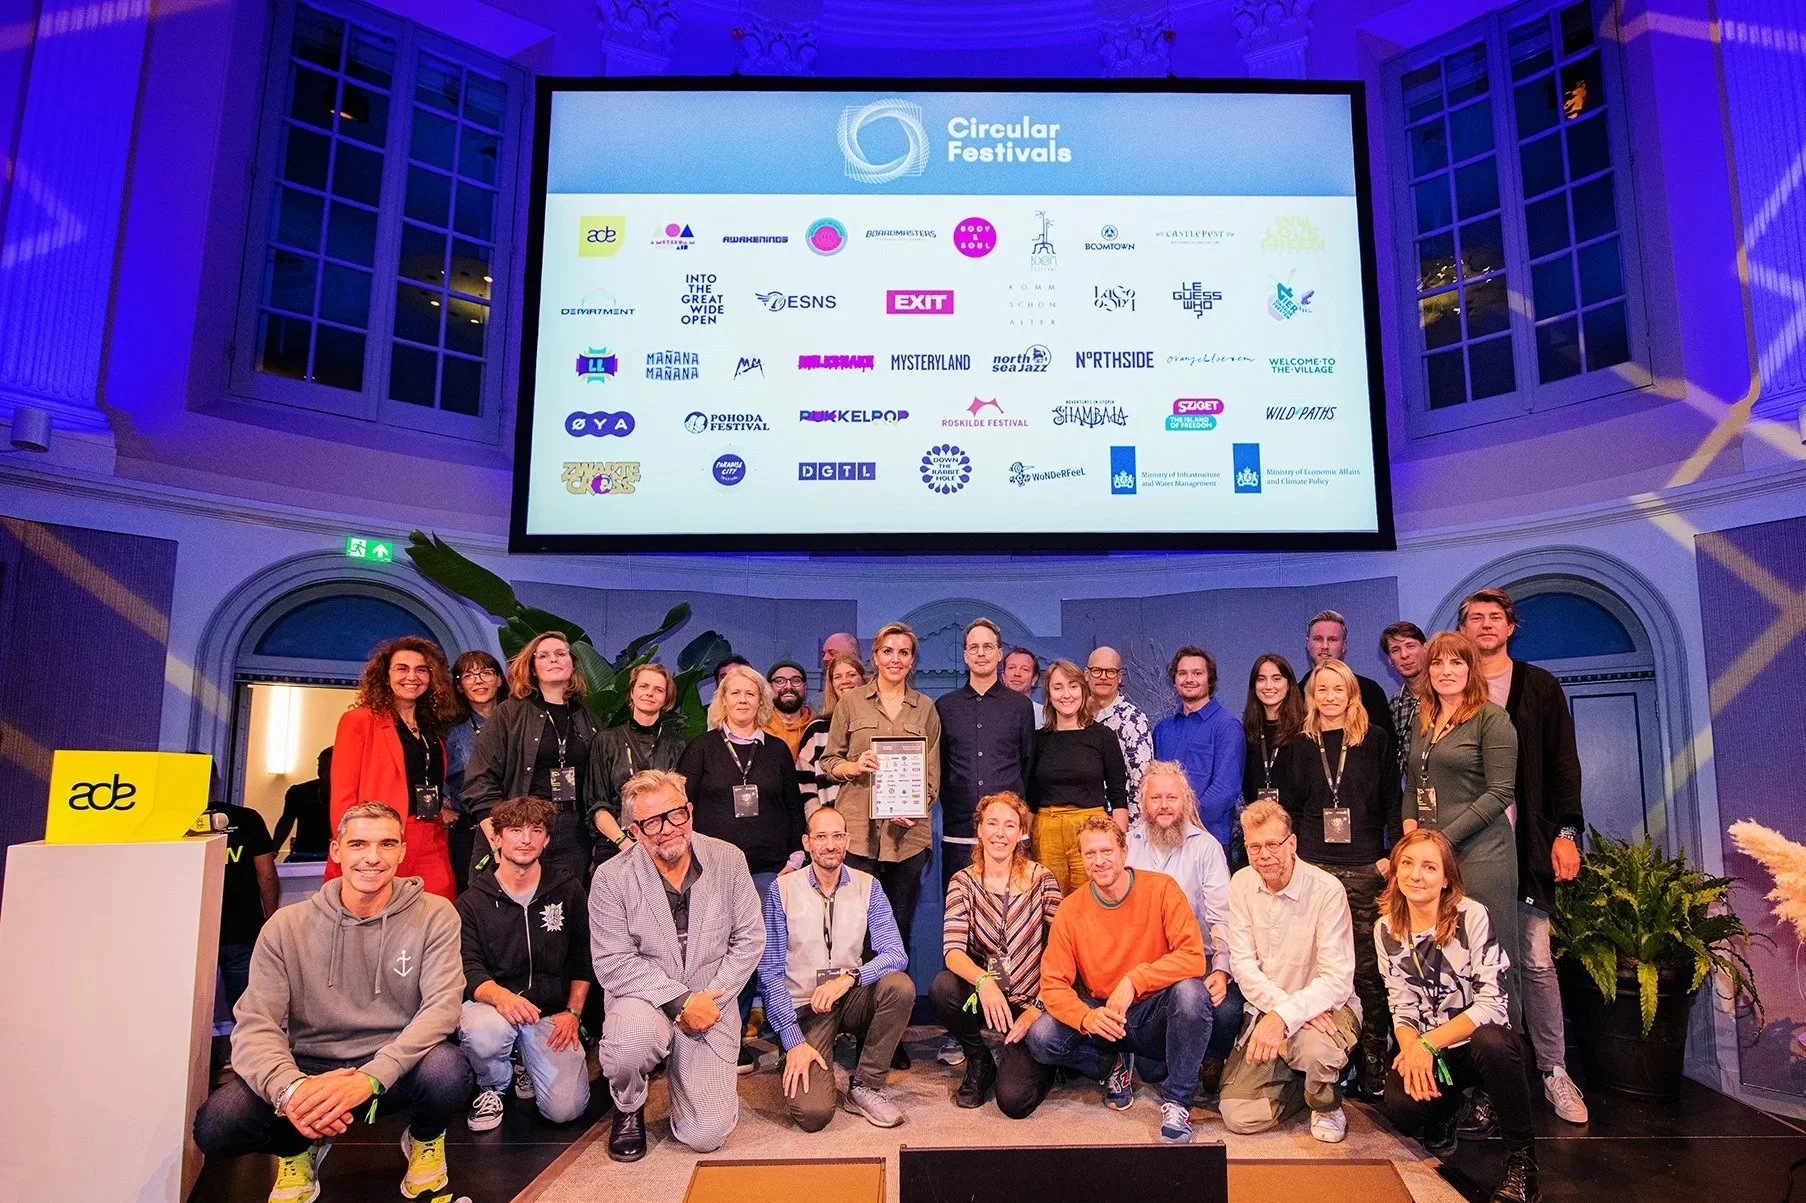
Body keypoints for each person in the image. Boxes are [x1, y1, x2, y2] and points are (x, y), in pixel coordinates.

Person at [194, 803, 470, 1202]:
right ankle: (297, 1147)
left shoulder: (435, 914)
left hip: (391, 1066)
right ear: (336, 851)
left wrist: (369, 1078)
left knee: (448, 1070)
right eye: (358, 843)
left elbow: (442, 1008)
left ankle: (425, 1138)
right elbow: (256, 1024)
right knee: (217, 1125)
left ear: (402, 851)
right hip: (309, 1068)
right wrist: (293, 1092)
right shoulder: (286, 926)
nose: (372, 857)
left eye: (386, 844)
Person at [590, 770, 766, 1161]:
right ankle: (628, 1104)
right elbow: (612, 962)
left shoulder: (729, 859)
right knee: (630, 1042)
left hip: (710, 1002)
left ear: (689, 812)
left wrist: (709, 1000)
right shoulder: (610, 878)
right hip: (646, 999)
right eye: (652, 822)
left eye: (675, 815)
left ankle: (689, 1085)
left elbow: (750, 939)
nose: (667, 829)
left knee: (706, 1135)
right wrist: (681, 1001)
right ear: (635, 830)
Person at [1460, 588, 1588, 1124]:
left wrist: (1566, 832)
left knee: (1534, 962)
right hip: (1467, 854)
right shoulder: (1452, 689)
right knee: (1475, 968)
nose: (1486, 625)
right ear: (1463, 630)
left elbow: (1563, 765)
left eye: (1496, 618)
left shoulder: (1539, 686)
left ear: (1510, 627)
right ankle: (1493, 1078)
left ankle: (1554, 1071)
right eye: (1476, 619)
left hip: (1529, 848)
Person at [1024, 816, 1213, 1143]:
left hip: (1152, 1010)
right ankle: (1111, 1064)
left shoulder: (1162, 889)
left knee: (1191, 993)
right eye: (1090, 854)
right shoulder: (1071, 910)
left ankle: (1178, 1100)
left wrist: (1134, 981)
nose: (1099, 861)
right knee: (1042, 1037)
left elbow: (1193, 957)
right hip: (1103, 1015)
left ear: (1124, 852)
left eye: (1107, 851)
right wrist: (1087, 1017)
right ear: (1082, 859)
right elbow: (1053, 984)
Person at [1377, 829, 1541, 1202]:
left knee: (1494, 1043)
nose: (1416, 875)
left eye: (1429, 866)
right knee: (1401, 1108)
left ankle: (1522, 1163)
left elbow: (1492, 1006)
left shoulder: (1471, 916)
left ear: (1446, 877)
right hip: (1429, 1045)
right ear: (1396, 870)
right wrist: (1412, 1050)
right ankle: (1452, 1109)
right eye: (1407, 863)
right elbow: (1400, 1004)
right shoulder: (1385, 928)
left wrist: (1424, 1044)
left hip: (1473, 1042)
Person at [676, 662, 807, 1069]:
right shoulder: (701, 748)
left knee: (763, 952)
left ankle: (773, 1030)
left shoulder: (777, 750)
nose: (744, 700)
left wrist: (796, 856)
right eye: (735, 693)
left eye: (751, 693)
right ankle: (720, 1033)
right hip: (713, 871)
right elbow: (683, 807)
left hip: (770, 870)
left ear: (761, 701)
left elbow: (792, 805)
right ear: (722, 700)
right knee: (718, 950)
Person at [1279, 657, 1399, 1100]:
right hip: (1312, 867)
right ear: (1310, 697)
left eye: (1338, 689)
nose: (1329, 697)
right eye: (1321, 690)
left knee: (1368, 970)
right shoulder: (1299, 745)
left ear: (1352, 694)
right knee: (1317, 966)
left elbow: (1393, 800)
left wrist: (1389, 856)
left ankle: (1372, 1059)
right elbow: (1290, 808)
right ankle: (1329, 1056)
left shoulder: (1377, 741)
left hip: (1366, 866)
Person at [759, 806, 916, 1131]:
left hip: (850, 996)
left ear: (847, 839)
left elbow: (895, 954)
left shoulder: (867, 885)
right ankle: (790, 1052)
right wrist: (793, 1040)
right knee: (814, 1115)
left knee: (899, 987)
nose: (830, 845)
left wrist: (850, 978)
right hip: (806, 1007)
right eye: (821, 836)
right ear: (807, 842)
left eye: (837, 836)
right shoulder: (782, 890)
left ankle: (864, 1087)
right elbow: (770, 973)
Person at [1220, 800, 1361, 1142]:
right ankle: (1301, 1082)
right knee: (1238, 1115)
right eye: (1255, 846)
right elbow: (1242, 965)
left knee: (1318, 1053)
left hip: (1327, 1010)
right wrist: (1282, 1014)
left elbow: (1336, 980)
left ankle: (1326, 1102)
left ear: (1292, 843)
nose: (1264, 855)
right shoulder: (1241, 884)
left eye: (1273, 844)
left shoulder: (1327, 890)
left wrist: (1284, 1016)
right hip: (1270, 1011)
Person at [818, 621, 943, 997]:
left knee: (897, 931)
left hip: (907, 839)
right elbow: (828, 761)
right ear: (875, 657)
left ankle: (891, 1026)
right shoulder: (851, 703)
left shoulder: (925, 709)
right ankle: (857, 1019)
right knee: (855, 933)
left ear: (912, 660)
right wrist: (853, 767)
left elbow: (932, 776)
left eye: (904, 652)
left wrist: (916, 805)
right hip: (857, 838)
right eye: (888, 651)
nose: (895, 659)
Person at [1404, 631, 1521, 1030]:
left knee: (1491, 965)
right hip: (1433, 860)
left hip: (1482, 857)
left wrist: (1441, 840)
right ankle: (1455, 1067)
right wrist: (1411, 840)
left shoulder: (1492, 718)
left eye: (1456, 662)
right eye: (1437, 662)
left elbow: (1501, 792)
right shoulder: (1424, 719)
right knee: (1445, 966)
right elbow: (1414, 785)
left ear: (1471, 669)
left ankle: (1504, 1068)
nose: (1445, 670)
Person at [456, 797, 591, 1132]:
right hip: (495, 1009)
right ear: (498, 838)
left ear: (546, 840)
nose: (526, 839)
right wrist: (504, 998)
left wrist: (573, 1012)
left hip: (549, 1013)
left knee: (566, 1110)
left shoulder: (567, 889)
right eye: (515, 830)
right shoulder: (472, 901)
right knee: (485, 1033)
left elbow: (583, 956)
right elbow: (468, 968)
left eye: (536, 830)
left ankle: (526, 1062)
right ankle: (494, 1084)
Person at [931, 792, 1063, 1113]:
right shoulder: (963, 881)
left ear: (1021, 833)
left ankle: (1047, 1056)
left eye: (1009, 825)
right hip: (988, 998)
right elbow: (952, 952)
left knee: (1013, 1102)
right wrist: (983, 982)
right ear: (979, 829)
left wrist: (1040, 1006)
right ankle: (979, 1060)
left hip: (1031, 1003)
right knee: (944, 988)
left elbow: (1066, 949)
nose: (1000, 833)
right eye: (992, 824)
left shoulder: (1041, 878)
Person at [1125, 762, 1242, 1089]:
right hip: (1147, 963)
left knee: (1227, 1010)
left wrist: (1221, 969)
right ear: (1143, 802)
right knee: (1151, 1072)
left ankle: (1210, 1056)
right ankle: (1177, 1054)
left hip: (1198, 960)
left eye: (1172, 798)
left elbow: (1222, 916)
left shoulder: (1206, 847)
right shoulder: (1127, 845)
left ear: (1186, 801)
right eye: (1156, 798)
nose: (1164, 806)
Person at [462, 632, 600, 884]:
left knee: (562, 916)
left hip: (572, 833)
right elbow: (479, 780)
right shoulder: (510, 713)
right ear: (533, 668)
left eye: (561, 654)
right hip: (517, 828)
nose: (553, 660)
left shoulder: (588, 718)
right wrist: (498, 836)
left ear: (572, 664)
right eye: (544, 656)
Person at [328, 636, 459, 900]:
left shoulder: (432, 727)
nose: (412, 676)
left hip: (431, 834)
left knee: (438, 912)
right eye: (402, 668)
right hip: (379, 838)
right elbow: (343, 793)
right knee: (373, 918)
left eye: (421, 669)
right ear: (384, 675)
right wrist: (351, 845)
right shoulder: (360, 720)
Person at [936, 617, 1036, 902]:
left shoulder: (1020, 706)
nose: (981, 653)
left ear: (999, 653)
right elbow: (940, 766)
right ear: (965, 655)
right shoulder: (945, 707)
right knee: (960, 915)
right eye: (974, 647)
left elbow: (1027, 764)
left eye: (988, 647)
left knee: (1016, 912)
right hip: (960, 833)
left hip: (1010, 834)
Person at [1027, 659, 1129, 893]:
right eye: (1058, 687)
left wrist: (1118, 844)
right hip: (1047, 832)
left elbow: (1118, 796)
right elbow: (1030, 799)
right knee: (1052, 906)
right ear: (1049, 694)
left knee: (1094, 902)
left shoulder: (1103, 736)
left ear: (1083, 690)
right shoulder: (1037, 740)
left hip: (1093, 830)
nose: (1066, 694)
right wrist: (1026, 845)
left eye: (1073, 686)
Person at [588, 663, 687, 867]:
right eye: (644, 687)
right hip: (617, 846)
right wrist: (625, 844)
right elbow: (596, 804)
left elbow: (682, 803)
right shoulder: (606, 740)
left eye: (658, 689)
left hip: (665, 846)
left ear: (666, 699)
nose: (650, 693)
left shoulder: (677, 744)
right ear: (632, 692)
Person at [1151, 646, 1244, 849]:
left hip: (1209, 838)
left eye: (1197, 673)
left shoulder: (1227, 726)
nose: (1189, 679)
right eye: (1182, 673)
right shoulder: (1162, 729)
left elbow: (1225, 790)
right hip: (1165, 838)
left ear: (1209, 680)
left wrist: (1183, 821)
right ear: (1174, 681)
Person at [213, 797, 279, 1016]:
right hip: (243, 928)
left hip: (192, 931)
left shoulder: (173, 821)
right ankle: (244, 1050)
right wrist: (271, 922)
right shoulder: (247, 818)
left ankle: (195, 1050)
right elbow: (267, 877)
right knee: (245, 1011)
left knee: (188, 1009)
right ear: (215, 781)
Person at [446, 650, 503, 894]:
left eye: (486, 673)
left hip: (516, 828)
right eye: (469, 675)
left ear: (499, 680)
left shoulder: (521, 721)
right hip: (468, 831)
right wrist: (442, 805)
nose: (478, 681)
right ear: (459, 686)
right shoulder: (449, 731)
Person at [1303, 610, 1399, 751]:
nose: (1325, 646)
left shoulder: (1370, 692)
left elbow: (1387, 751)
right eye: (1318, 639)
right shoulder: (1295, 694)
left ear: (1344, 645)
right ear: (1308, 644)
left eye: (1332, 639)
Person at [1086, 646, 1153, 820]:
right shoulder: (1074, 716)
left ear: (1120, 676)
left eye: (1110, 671)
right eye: (1097, 671)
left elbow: (1141, 784)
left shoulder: (1134, 720)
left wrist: (1129, 836)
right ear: (1086, 675)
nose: (1103, 676)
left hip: (1118, 826)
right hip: (1081, 822)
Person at [797, 653, 867, 816]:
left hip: (869, 822)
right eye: (838, 677)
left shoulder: (876, 726)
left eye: (851, 675)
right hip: (830, 824)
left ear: (863, 680)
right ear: (831, 684)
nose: (845, 681)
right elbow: (804, 781)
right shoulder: (817, 729)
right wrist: (816, 817)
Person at [1380, 622, 1428, 781]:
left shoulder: (1448, 694)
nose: (1404, 655)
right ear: (1390, 661)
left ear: (1426, 648)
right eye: (1395, 650)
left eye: (1410, 646)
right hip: (1417, 798)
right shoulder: (1395, 705)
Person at [273, 748, 332, 861]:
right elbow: (286, 821)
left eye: (329, 769)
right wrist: (274, 850)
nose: (324, 774)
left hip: (337, 856)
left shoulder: (351, 794)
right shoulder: (299, 792)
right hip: (302, 855)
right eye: (321, 768)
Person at [764, 661, 815, 758]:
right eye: (779, 681)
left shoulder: (817, 728)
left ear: (805, 687)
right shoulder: (758, 726)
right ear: (769, 688)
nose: (788, 687)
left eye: (796, 681)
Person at [1003, 647, 1044, 725]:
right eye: (1011, 668)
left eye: (1025, 669)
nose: (1017, 673)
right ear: (1003, 676)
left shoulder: (1045, 717)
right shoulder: (989, 712)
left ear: (1034, 679)